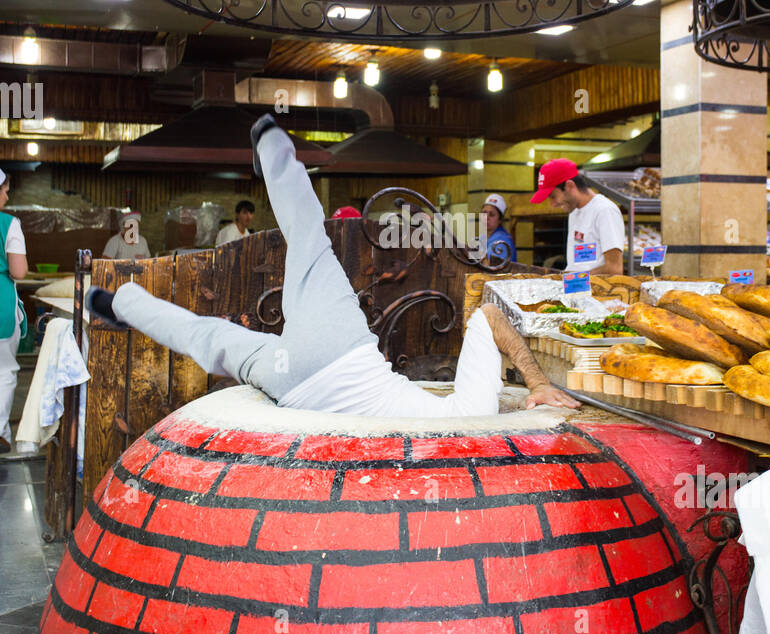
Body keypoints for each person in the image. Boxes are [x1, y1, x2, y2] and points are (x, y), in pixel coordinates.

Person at [87, 117, 577, 418]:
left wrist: (537, 383)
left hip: (339, 350)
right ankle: (116, 304)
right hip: (294, 384)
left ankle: (271, 142)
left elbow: (490, 318)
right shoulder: (467, 429)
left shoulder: (474, 410)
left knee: (308, 237)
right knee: (208, 338)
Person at [531, 160, 624, 277]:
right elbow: (578, 265)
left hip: (596, 294)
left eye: (553, 196)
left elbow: (614, 269)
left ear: (570, 186)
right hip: (577, 291)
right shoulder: (574, 212)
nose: (552, 204)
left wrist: (571, 279)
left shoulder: (605, 210)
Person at [0, 169, 28, 454]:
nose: (7, 196)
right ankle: (0, 433)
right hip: (0, 305)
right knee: (3, 372)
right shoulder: (9, 224)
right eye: (5, 190)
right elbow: (18, 271)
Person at [480, 193, 517, 262]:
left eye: (492, 215)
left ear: (500, 220)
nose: (486, 217)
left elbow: (492, 268)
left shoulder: (503, 241)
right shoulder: (482, 238)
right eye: (484, 213)